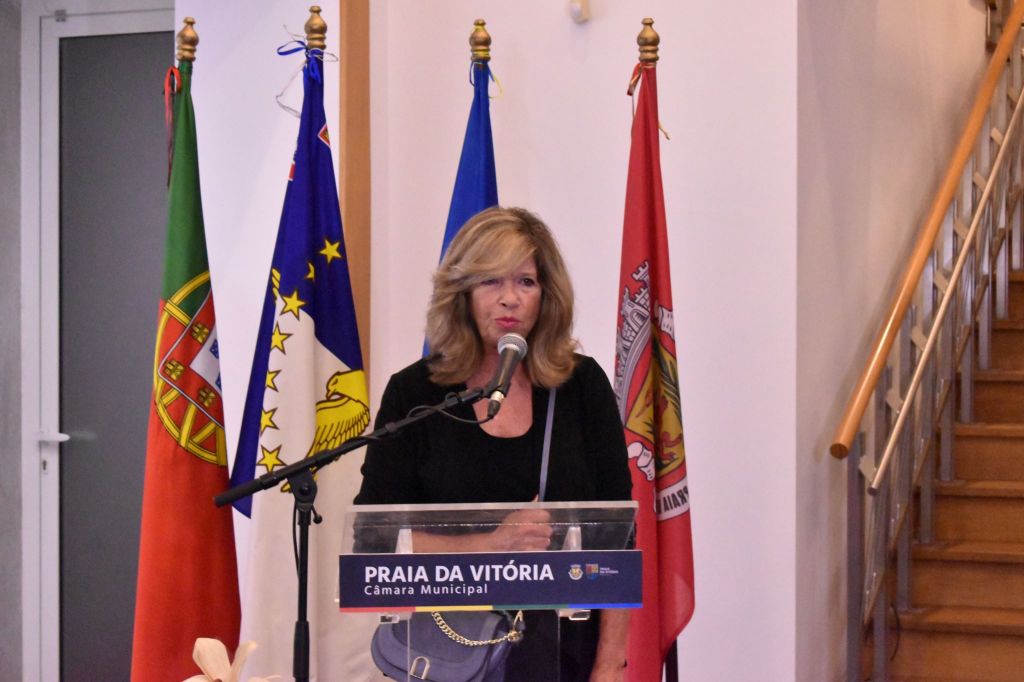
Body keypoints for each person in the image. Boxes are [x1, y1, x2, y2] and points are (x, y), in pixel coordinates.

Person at [354, 207, 632, 681]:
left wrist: (610, 665)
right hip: (449, 657)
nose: (509, 299)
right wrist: (491, 544)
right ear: (461, 291)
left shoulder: (581, 387)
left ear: (547, 295)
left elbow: (619, 541)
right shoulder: (416, 394)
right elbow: (375, 540)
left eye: (526, 282)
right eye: (490, 281)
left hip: (566, 656)